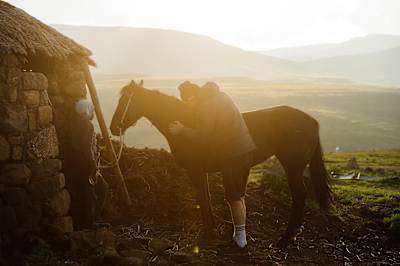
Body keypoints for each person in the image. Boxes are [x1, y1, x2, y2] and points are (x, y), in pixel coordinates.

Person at [169, 81, 256, 252]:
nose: (190, 106)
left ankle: (241, 242)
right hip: (245, 150)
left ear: (192, 96)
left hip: (233, 153)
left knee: (233, 197)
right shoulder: (218, 95)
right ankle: (240, 237)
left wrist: (182, 130)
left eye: (188, 102)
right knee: (239, 195)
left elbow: (204, 136)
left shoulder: (206, 105)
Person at [66, 99, 109, 229]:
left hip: (76, 164)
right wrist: (93, 167)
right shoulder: (87, 125)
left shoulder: (74, 123)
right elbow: (86, 148)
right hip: (85, 165)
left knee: (87, 192)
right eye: (92, 110)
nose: (93, 113)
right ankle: (93, 221)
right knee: (101, 188)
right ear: (87, 110)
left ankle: (91, 220)